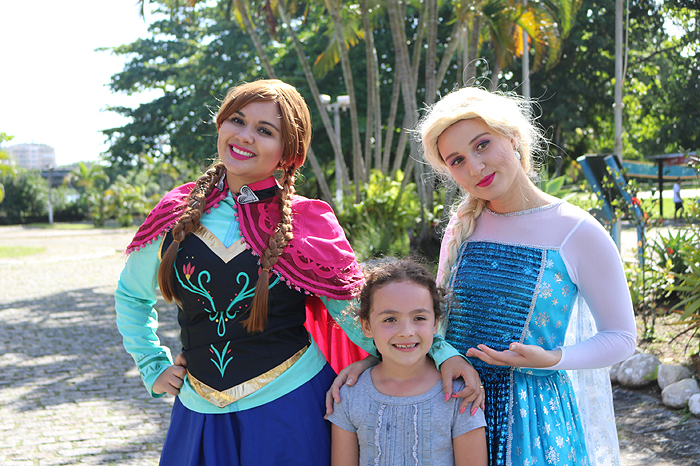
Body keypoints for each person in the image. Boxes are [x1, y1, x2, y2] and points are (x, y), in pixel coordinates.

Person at [115, 79, 479, 466]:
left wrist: (441, 354)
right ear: (220, 125)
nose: (245, 136)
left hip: (290, 411)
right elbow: (132, 295)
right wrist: (152, 365)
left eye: (265, 130)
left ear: (288, 153)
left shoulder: (309, 222)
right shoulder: (176, 212)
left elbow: (359, 314)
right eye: (237, 120)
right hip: (198, 413)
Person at [417, 87, 637, 465]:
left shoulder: (577, 231)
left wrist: (551, 358)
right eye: (457, 160)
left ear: (513, 137)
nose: (475, 167)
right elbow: (436, 322)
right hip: (456, 408)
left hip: (532, 420)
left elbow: (621, 338)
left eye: (482, 145)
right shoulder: (461, 227)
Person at [327, 259, 487, 466]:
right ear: (366, 326)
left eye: (419, 318)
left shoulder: (460, 394)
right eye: (390, 319)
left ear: (435, 323)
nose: (406, 332)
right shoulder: (350, 395)